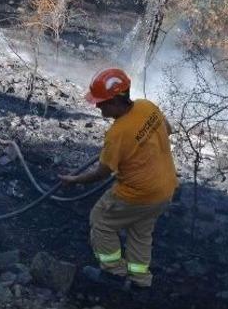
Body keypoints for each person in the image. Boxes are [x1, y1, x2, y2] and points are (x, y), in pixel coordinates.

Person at [59, 68, 177, 290]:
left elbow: (102, 173)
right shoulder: (147, 106)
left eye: (101, 102)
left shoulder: (117, 134)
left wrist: (73, 181)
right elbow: (167, 130)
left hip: (137, 193)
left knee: (101, 221)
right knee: (141, 231)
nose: (97, 106)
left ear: (114, 100)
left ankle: (114, 272)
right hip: (165, 189)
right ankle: (140, 279)